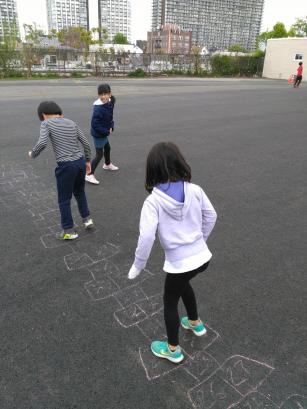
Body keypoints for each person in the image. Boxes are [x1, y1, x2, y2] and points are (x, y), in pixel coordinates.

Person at [128, 142, 217, 363]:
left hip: (180, 262)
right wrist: (200, 241)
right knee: (183, 283)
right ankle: (195, 323)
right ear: (179, 162)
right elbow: (211, 216)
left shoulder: (153, 201)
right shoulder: (195, 189)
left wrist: (138, 265)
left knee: (170, 301)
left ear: (153, 169)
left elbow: (147, 236)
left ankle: (173, 349)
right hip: (202, 259)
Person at [29, 101, 94, 240]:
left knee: (64, 199)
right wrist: (87, 161)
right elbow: (86, 143)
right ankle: (87, 220)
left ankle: (69, 231)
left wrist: (32, 153)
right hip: (80, 163)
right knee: (80, 192)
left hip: (66, 166)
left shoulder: (46, 123)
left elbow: (42, 143)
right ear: (59, 112)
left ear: (43, 115)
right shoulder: (71, 122)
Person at [86, 83, 119, 185]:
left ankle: (107, 164)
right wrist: (106, 131)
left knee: (108, 148)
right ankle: (89, 174)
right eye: (101, 94)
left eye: (106, 94)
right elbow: (95, 125)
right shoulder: (98, 109)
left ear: (110, 94)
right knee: (99, 155)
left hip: (104, 131)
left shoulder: (110, 101)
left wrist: (111, 126)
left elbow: (110, 116)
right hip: (99, 134)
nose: (103, 96)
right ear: (98, 95)